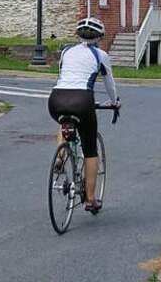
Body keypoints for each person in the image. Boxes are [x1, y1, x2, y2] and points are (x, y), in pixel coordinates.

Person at [48, 17, 119, 213]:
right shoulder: (101, 55)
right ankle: (90, 199)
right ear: (100, 37)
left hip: (56, 98)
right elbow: (109, 84)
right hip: (82, 100)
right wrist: (114, 102)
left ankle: (60, 156)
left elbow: (63, 75)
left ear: (78, 35)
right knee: (90, 149)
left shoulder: (66, 51)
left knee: (64, 121)